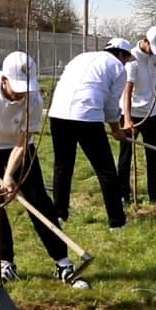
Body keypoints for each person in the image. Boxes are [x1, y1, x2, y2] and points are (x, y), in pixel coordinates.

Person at [0, 52, 90, 289]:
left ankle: (62, 263)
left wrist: (8, 177)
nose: (20, 94)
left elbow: (22, 142)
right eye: (16, 88)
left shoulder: (34, 100)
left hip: (18, 145)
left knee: (38, 201)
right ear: (4, 79)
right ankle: (6, 264)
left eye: (24, 89)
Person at [48, 38, 133, 231]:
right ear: (121, 54)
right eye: (126, 58)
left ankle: (59, 214)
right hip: (87, 116)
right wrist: (115, 129)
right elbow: (112, 105)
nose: (126, 62)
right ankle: (117, 221)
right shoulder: (118, 68)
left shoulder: (81, 57)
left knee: (62, 166)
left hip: (58, 114)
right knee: (106, 170)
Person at [116, 26, 156, 206]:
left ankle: (155, 195)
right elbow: (127, 91)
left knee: (154, 156)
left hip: (151, 113)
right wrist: (128, 119)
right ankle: (123, 194)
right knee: (125, 156)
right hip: (132, 113)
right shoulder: (132, 60)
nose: (155, 53)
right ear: (145, 41)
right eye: (152, 48)